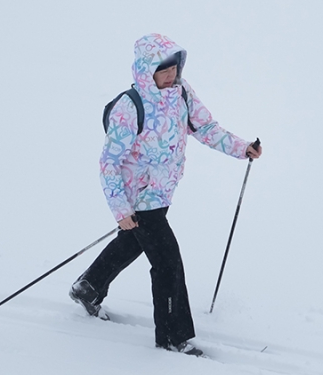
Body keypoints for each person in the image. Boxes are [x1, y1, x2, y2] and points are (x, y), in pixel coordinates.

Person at [69, 33, 262, 356]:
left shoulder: (181, 94)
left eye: (174, 66)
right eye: (163, 68)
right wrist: (121, 209)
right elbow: (109, 163)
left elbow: (206, 128)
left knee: (132, 242)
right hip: (139, 198)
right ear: (146, 70)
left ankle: (88, 287)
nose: (171, 73)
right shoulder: (129, 108)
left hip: (162, 192)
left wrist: (242, 148)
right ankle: (173, 337)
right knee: (168, 262)